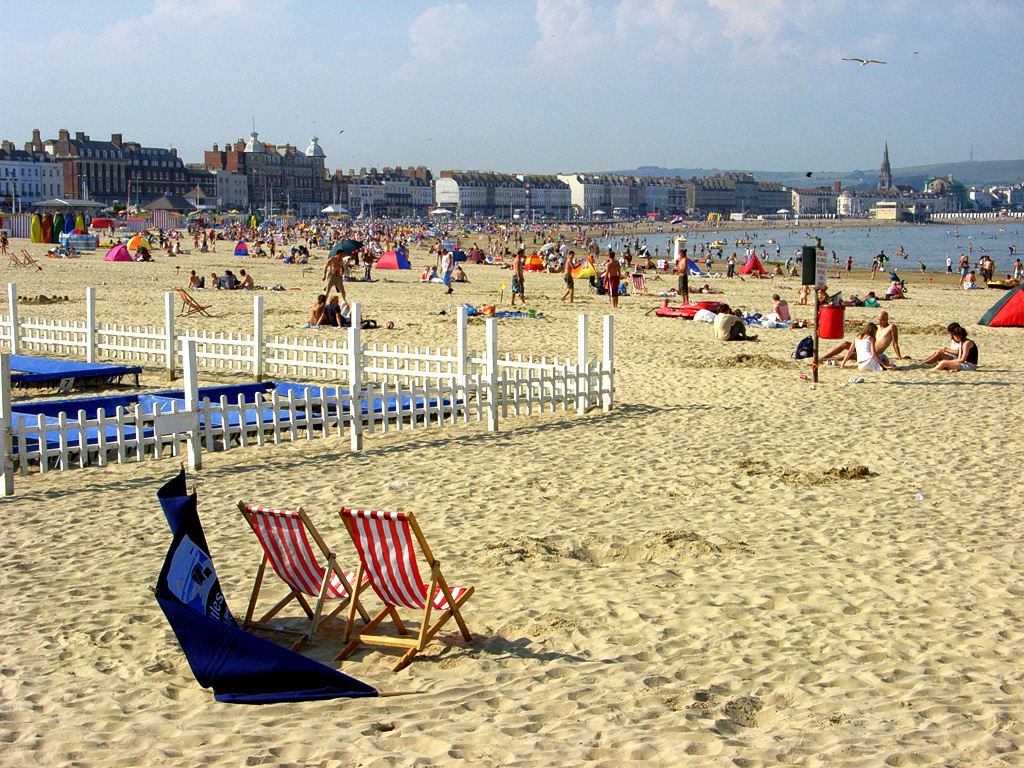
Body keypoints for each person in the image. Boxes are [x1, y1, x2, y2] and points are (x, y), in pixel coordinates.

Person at [822, 310, 906, 362]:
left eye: (882, 320)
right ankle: (823, 357)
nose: (880, 322)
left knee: (852, 355)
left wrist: (899, 358)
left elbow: (895, 343)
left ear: (887, 319)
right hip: (865, 348)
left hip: (873, 353)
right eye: (879, 320)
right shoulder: (876, 327)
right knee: (845, 344)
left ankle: (828, 360)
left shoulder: (891, 328)